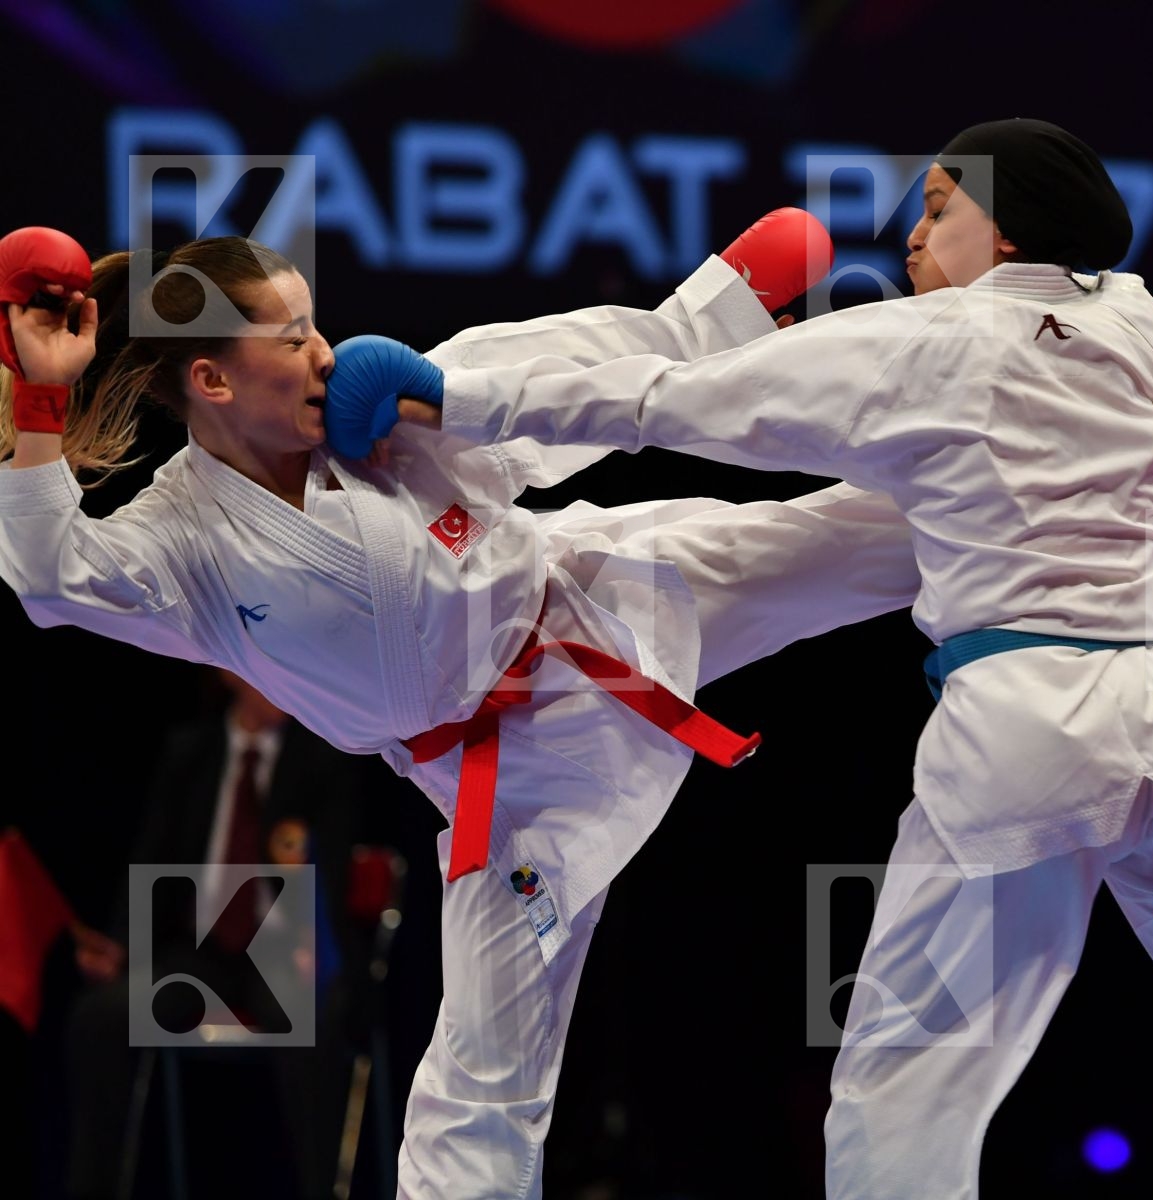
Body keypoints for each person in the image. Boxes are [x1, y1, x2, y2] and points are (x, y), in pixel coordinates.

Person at [347, 118, 1153, 1199]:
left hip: (1026, 738)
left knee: (902, 1106)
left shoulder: (924, 337)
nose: (913, 232)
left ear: (1004, 228)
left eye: (939, 205)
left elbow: (671, 394)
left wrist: (453, 394)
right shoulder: (1145, 325)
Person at [0, 213, 921, 1197]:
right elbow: (53, 578)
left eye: (316, 324)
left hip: (599, 603)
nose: (323, 354)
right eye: (290, 339)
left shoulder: (383, 411)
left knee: (870, 538)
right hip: (513, 785)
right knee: (478, 1088)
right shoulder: (182, 547)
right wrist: (42, 395)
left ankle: (1065, 512)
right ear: (213, 382)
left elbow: (576, 378)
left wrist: (717, 308)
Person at [61, 665, 386, 1200]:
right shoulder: (191, 753)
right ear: (228, 670)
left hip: (281, 953)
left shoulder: (321, 757)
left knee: (315, 1020)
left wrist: (319, 948)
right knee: (99, 1018)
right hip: (198, 954)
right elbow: (153, 855)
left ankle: (322, 1189)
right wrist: (123, 944)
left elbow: (330, 869)